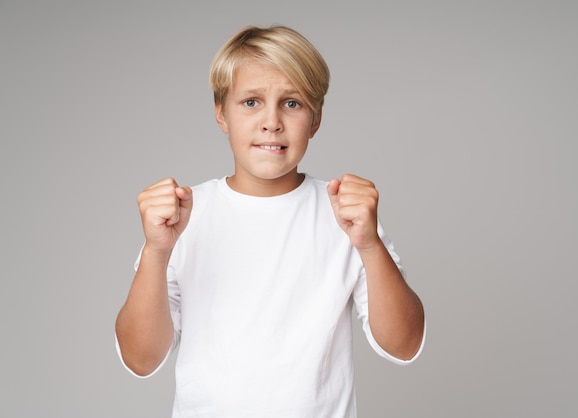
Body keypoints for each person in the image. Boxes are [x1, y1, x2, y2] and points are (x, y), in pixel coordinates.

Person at [115, 24, 425, 418]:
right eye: (250, 102)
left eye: (292, 103)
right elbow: (140, 359)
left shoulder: (345, 217)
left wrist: (370, 246)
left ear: (315, 119)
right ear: (220, 113)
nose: (272, 121)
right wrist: (157, 252)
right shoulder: (183, 217)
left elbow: (405, 345)